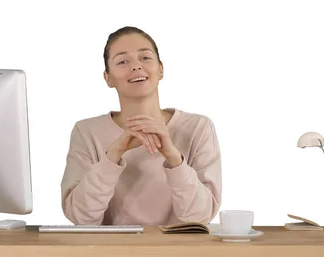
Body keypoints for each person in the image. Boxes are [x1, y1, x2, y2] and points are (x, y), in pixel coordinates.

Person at [60, 26, 222, 226]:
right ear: (108, 78)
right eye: (122, 61)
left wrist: (173, 156)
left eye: (145, 57)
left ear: (161, 69)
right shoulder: (86, 132)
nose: (136, 66)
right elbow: (81, 217)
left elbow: (200, 217)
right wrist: (114, 154)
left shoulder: (198, 128)